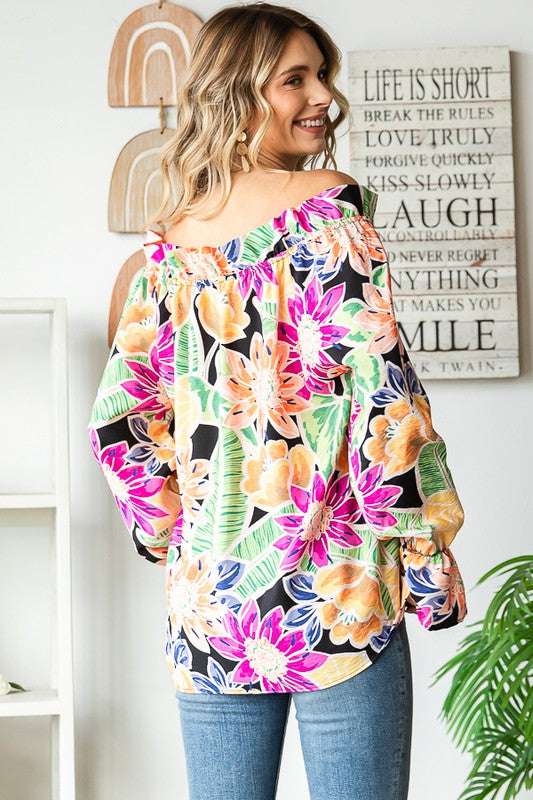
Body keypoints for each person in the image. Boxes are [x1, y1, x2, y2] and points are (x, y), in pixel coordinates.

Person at [87, 3, 468, 798]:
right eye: (295, 78)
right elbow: (385, 403)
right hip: (339, 584)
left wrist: (174, 533)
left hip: (211, 599)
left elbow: (122, 417)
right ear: (237, 91)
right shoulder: (329, 210)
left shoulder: (171, 242)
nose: (322, 95)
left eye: (321, 74)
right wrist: (426, 554)